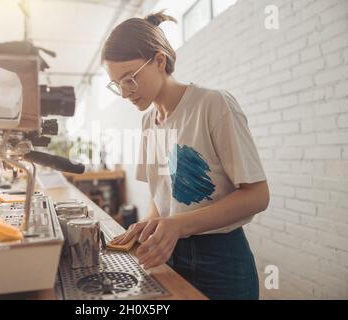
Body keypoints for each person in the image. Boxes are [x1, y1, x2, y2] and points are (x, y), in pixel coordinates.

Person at [101, 10, 269, 300]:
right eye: (118, 85)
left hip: (221, 259)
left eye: (130, 78)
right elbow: (163, 196)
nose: (126, 92)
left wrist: (177, 225)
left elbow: (257, 196)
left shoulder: (213, 105)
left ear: (159, 61)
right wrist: (151, 226)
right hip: (170, 252)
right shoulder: (148, 121)